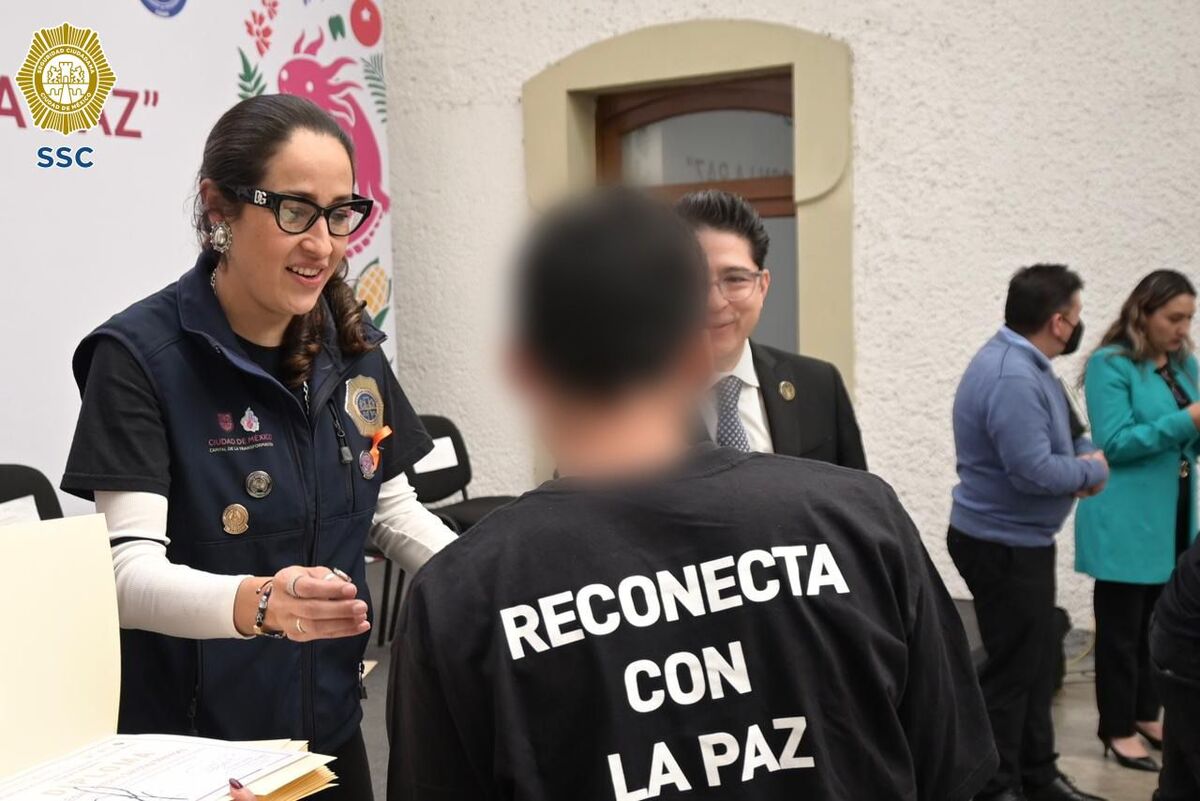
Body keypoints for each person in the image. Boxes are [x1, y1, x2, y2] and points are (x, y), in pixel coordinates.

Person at [385, 188, 996, 800]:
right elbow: (951, 769)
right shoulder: (865, 521)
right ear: (695, 359)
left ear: (522, 367)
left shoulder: (460, 597)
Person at [60, 94, 456, 800]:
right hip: (192, 759)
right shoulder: (140, 358)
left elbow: (391, 509)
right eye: (294, 210)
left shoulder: (350, 347)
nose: (324, 244)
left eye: (341, 214)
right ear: (219, 208)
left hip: (328, 737)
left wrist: (495, 580)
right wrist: (264, 602)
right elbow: (125, 575)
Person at [947, 264, 1110, 801]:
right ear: (1060, 322)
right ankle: (994, 787)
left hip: (1022, 543)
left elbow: (1075, 434)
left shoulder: (1033, 365)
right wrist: (1093, 472)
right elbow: (1033, 470)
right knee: (1012, 676)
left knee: (1037, 667)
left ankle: (1039, 777)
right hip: (1002, 546)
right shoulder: (1013, 376)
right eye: (1078, 315)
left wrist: (1084, 456)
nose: (1080, 325)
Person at [1075, 270, 1200, 775]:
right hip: (1125, 517)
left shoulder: (1182, 363)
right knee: (1122, 631)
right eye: (1173, 317)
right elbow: (1118, 442)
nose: (1182, 327)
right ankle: (1117, 727)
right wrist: (1187, 421)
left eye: (1189, 318)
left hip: (1172, 512)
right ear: (1143, 312)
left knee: (1160, 623)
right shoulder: (1112, 365)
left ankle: (1149, 714)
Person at [675, 190, 867, 469]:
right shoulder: (639, 400)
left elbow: (854, 504)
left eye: (735, 279)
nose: (715, 302)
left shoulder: (818, 386)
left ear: (762, 286)